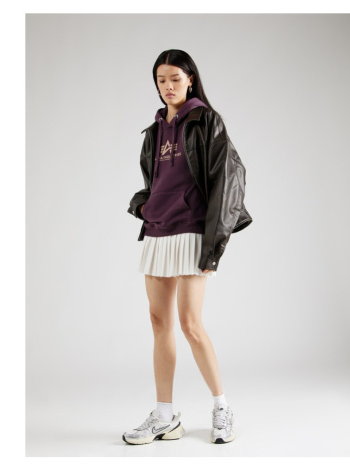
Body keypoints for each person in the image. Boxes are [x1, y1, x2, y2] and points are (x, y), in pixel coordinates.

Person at [123, 49, 252, 445]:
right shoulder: (154, 130)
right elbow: (156, 181)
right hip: (157, 231)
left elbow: (229, 181)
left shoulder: (206, 120)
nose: (168, 86)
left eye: (175, 78)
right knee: (158, 322)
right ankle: (165, 417)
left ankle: (222, 407)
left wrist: (214, 245)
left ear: (191, 79)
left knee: (191, 324)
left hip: (192, 231)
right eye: (161, 80)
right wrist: (143, 205)